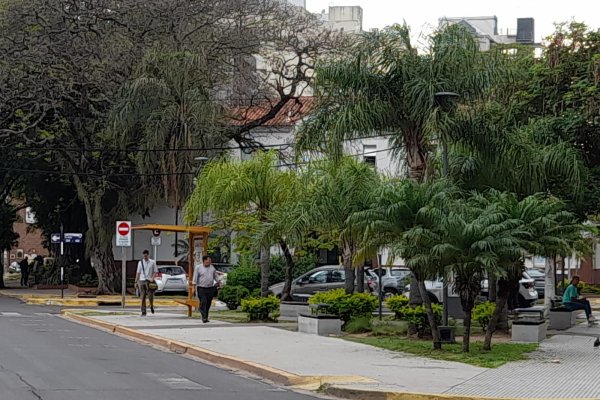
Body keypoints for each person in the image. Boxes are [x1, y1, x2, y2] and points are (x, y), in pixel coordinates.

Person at [192, 256, 223, 323]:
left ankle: (205, 317)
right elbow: (195, 278)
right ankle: (203, 315)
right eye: (208, 261)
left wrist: (219, 282)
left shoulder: (212, 268)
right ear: (204, 261)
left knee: (208, 303)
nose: (209, 262)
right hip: (201, 288)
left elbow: (215, 277)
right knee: (203, 302)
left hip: (210, 288)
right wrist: (193, 288)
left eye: (210, 261)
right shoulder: (198, 268)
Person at [135, 250, 158, 316]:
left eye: (146, 256)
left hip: (149, 281)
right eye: (144, 256)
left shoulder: (152, 262)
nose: (145, 257)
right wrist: (136, 281)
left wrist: (152, 278)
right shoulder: (140, 262)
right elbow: (138, 273)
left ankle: (151, 306)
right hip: (142, 281)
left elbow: (155, 271)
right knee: (142, 297)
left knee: (150, 296)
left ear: (148, 255)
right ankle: (143, 311)